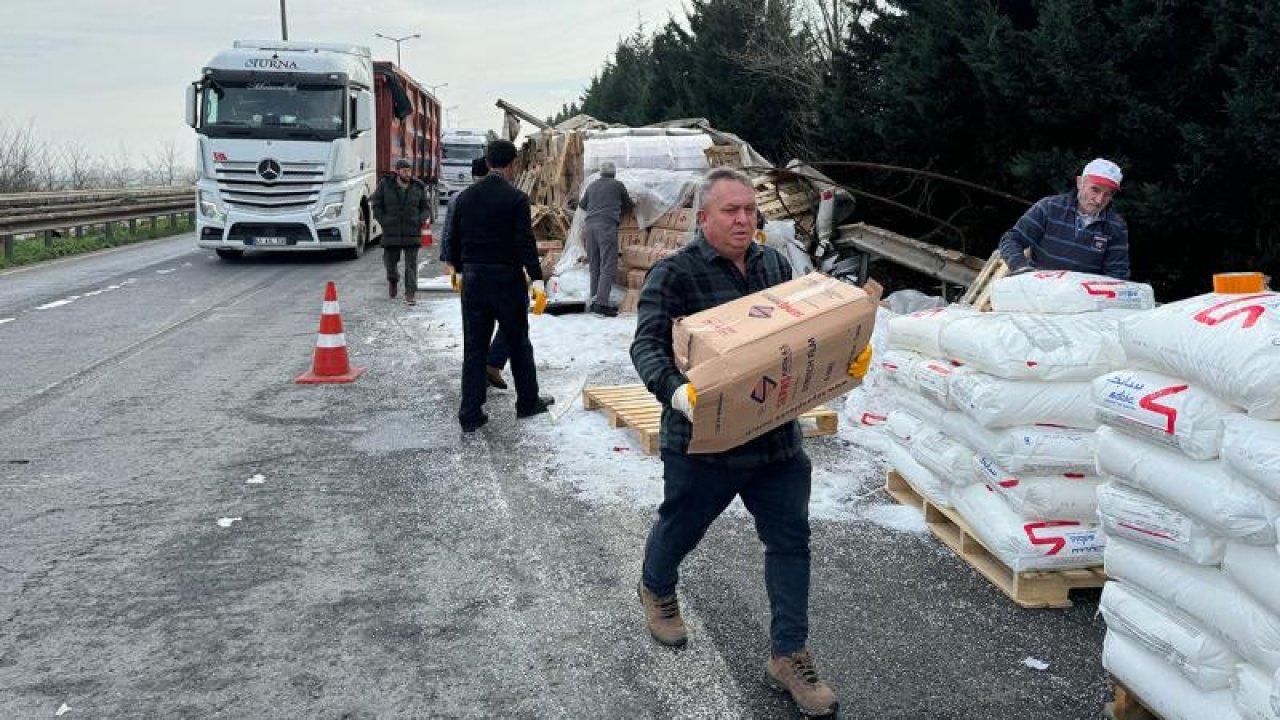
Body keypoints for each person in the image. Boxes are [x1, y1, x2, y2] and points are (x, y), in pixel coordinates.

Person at [630, 167, 869, 718]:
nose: (744, 220)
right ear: (704, 218)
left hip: (774, 440)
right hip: (703, 440)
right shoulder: (675, 275)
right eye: (730, 211)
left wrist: (843, 362)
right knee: (681, 527)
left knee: (790, 541)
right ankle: (656, 586)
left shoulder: (775, 264)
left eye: (749, 211)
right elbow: (646, 346)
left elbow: (800, 341)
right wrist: (676, 390)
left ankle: (789, 655)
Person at [447, 139, 554, 432]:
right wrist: (537, 278)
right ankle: (527, 403)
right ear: (512, 164)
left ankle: (470, 413)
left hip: (474, 280)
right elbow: (524, 243)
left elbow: (454, 238)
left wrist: (457, 269)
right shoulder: (516, 198)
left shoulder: (464, 198)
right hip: (506, 281)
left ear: (488, 160)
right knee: (519, 343)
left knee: (474, 348)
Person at [440, 157, 512, 390]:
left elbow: (448, 231)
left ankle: (481, 374)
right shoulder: (503, 196)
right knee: (511, 323)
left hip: (469, 270)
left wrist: (451, 263)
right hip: (493, 270)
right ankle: (489, 367)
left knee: (473, 331)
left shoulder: (459, 198)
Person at [998, 157, 1130, 279]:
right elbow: (1011, 240)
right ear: (1080, 182)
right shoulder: (1049, 207)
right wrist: (1022, 268)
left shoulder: (1116, 226)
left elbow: (1117, 274)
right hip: (1039, 290)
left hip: (1081, 299)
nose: (1099, 200)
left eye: (1107, 194)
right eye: (1095, 190)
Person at [371, 158, 432, 305]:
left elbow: (425, 208)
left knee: (411, 265)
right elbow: (376, 204)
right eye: (404, 170)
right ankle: (393, 280)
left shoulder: (418, 186)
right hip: (391, 231)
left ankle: (410, 293)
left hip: (412, 231)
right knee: (390, 263)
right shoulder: (385, 185)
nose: (407, 173)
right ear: (397, 171)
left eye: (409, 170)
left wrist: (420, 219)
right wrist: (384, 221)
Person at [579, 160, 634, 316]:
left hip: (590, 227)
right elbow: (629, 205)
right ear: (614, 173)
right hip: (606, 226)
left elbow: (582, 205)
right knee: (608, 264)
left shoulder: (592, 186)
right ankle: (601, 304)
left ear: (601, 173)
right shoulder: (618, 185)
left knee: (594, 265)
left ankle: (594, 300)